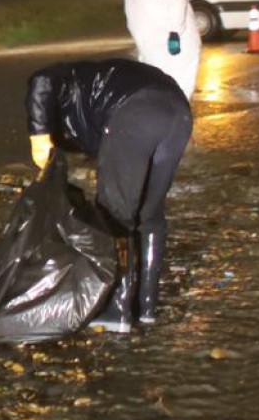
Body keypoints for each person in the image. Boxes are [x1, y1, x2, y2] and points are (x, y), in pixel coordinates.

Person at [26, 58, 193, 332]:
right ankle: (146, 306)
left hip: (135, 112)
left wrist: (39, 136)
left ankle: (117, 309)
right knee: (149, 214)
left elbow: (40, 80)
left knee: (114, 213)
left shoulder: (66, 80)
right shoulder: (96, 80)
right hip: (177, 113)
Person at [106, 0, 201, 100]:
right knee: (161, 99)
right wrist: (143, 55)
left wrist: (175, 33)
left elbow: (176, 1)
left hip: (176, 50)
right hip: (155, 55)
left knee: (177, 96)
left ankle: (181, 121)